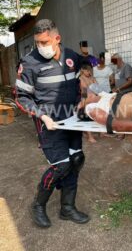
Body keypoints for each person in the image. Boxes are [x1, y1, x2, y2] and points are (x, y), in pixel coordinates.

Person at [15, 19, 90, 228]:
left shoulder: (72, 57)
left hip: (72, 120)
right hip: (48, 121)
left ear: (57, 38)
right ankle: (38, 205)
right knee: (61, 165)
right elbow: (21, 97)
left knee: (75, 160)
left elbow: (77, 83)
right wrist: (43, 116)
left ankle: (67, 208)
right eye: (38, 42)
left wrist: (81, 100)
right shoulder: (29, 63)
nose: (41, 47)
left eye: (45, 42)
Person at [79, 63, 97, 143]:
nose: (89, 72)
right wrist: (83, 102)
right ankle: (90, 136)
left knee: (96, 115)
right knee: (87, 117)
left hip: (95, 98)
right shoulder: (81, 78)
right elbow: (84, 90)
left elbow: (97, 86)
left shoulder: (92, 77)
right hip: (86, 98)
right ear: (83, 70)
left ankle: (101, 133)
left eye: (90, 71)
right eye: (87, 71)